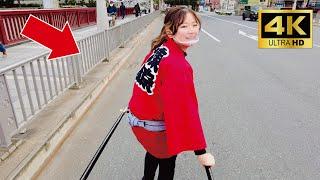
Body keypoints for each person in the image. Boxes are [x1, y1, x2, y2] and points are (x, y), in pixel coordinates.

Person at [127, 7, 215, 180]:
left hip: (139, 123)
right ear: (170, 30)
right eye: (184, 26)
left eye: (194, 24)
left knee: (153, 153)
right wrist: (201, 152)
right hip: (156, 131)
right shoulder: (178, 66)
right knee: (167, 163)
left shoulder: (160, 49)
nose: (191, 30)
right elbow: (185, 110)